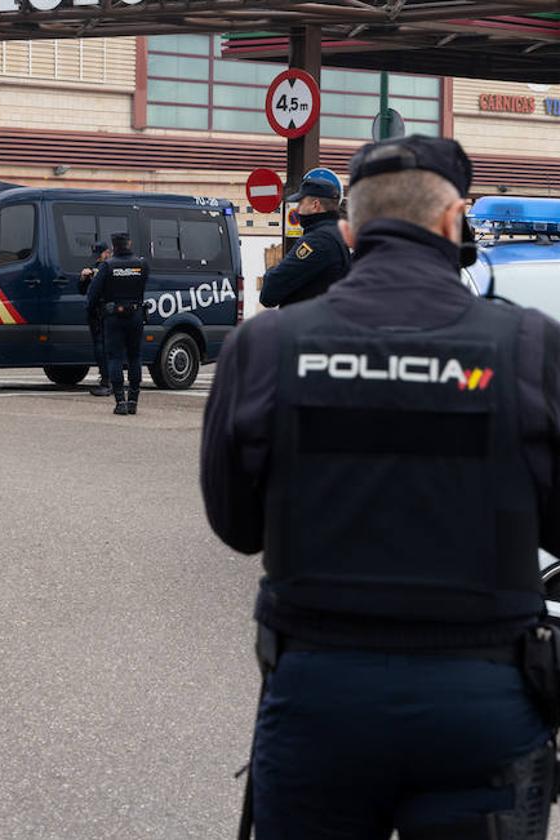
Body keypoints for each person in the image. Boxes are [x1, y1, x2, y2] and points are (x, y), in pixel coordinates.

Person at [201, 136, 560, 839]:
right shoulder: (530, 348)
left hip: (318, 699)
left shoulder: (265, 347)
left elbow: (236, 526)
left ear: (347, 230)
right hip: (483, 705)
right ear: (457, 223)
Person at [258, 173, 351, 308]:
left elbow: (270, 291)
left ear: (315, 205)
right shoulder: (337, 234)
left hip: (306, 325)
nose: (297, 209)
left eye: (301, 202)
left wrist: (272, 271)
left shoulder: (318, 241)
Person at [86, 232, 148, 416]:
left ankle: (120, 401)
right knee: (135, 357)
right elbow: (142, 286)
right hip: (136, 315)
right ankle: (134, 401)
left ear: (114, 247)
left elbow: (92, 295)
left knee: (114, 358)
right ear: (129, 243)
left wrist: (93, 311)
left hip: (113, 316)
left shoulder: (107, 266)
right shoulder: (141, 265)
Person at [78, 241, 113, 397]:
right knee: (100, 346)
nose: (98, 259)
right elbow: (83, 291)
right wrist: (83, 279)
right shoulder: (97, 268)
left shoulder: (109, 268)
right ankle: (106, 378)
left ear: (107, 253)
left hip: (103, 313)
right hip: (95, 313)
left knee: (102, 346)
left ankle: (107, 380)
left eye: (100, 256)